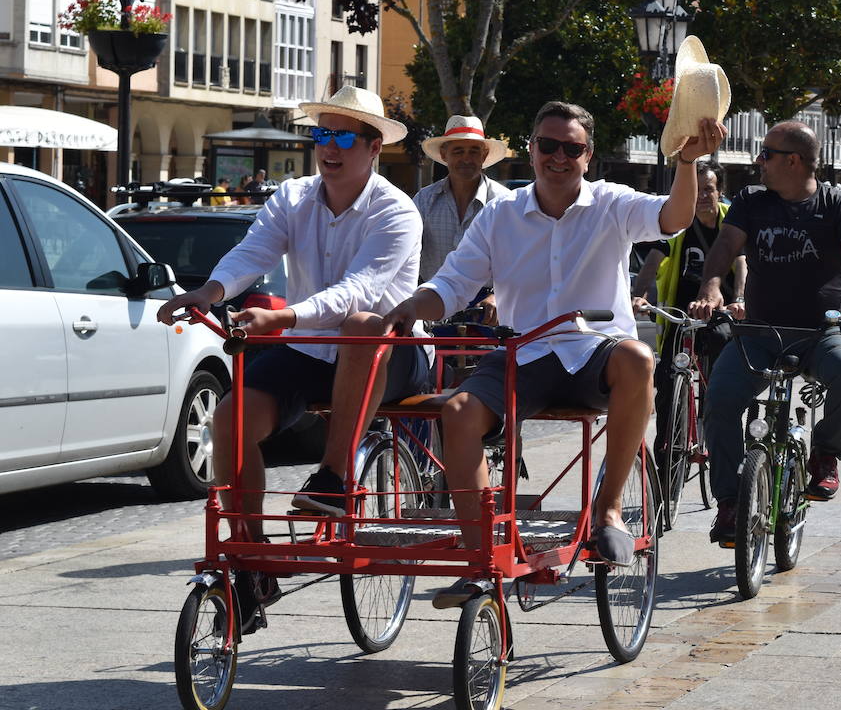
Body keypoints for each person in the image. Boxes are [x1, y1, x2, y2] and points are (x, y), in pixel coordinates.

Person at [381, 101, 725, 602]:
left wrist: (687, 163)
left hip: (595, 351)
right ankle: (482, 559)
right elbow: (454, 282)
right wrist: (411, 306)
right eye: (548, 145)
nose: (558, 157)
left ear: (589, 156)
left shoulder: (611, 202)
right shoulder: (500, 214)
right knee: (456, 411)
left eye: (572, 148)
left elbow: (671, 217)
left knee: (638, 358)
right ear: (531, 148)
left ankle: (607, 511)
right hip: (524, 352)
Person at [156, 85, 431, 619]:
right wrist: (209, 292)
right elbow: (253, 251)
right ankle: (251, 560)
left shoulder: (396, 211)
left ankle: (333, 475)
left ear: (374, 148)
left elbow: (362, 290)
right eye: (321, 133)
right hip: (312, 349)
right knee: (230, 423)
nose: (329, 146)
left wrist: (283, 316)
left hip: (388, 354)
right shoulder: (293, 196)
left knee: (360, 322)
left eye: (343, 136)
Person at [689, 121, 841, 547]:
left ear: (792, 161)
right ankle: (730, 503)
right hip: (758, 333)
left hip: (822, 332)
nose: (759, 162)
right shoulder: (752, 202)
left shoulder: (838, 204)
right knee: (719, 402)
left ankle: (825, 454)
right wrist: (711, 286)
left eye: (766, 154)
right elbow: (725, 247)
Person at [630, 161, 746, 454]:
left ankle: (714, 409)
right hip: (680, 316)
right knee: (667, 379)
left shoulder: (731, 223)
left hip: (721, 312)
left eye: (709, 189)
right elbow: (653, 260)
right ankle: (666, 456)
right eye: (698, 190)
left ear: (720, 192)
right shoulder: (679, 224)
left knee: (720, 345)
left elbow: (743, 263)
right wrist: (639, 295)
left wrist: (740, 299)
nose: (703, 196)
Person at [413, 115, 513, 323]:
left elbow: (519, 261)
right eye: (458, 151)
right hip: (434, 302)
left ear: (484, 155)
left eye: (474, 151)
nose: (466, 159)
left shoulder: (504, 202)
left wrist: (499, 297)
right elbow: (407, 255)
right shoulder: (424, 200)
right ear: (444, 154)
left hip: (487, 311)